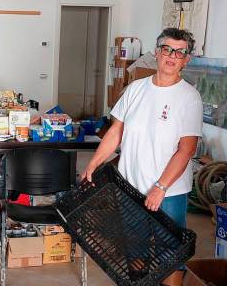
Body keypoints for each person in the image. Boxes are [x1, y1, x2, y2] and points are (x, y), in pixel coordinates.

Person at [83, 27, 203, 286]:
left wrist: (160, 187)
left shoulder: (189, 97)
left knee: (169, 248)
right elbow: (117, 131)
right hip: (130, 186)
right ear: (157, 52)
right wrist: (94, 163)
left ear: (187, 59)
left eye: (180, 52)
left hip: (168, 192)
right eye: (167, 49)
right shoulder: (136, 88)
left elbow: (187, 149)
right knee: (134, 245)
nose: (172, 56)